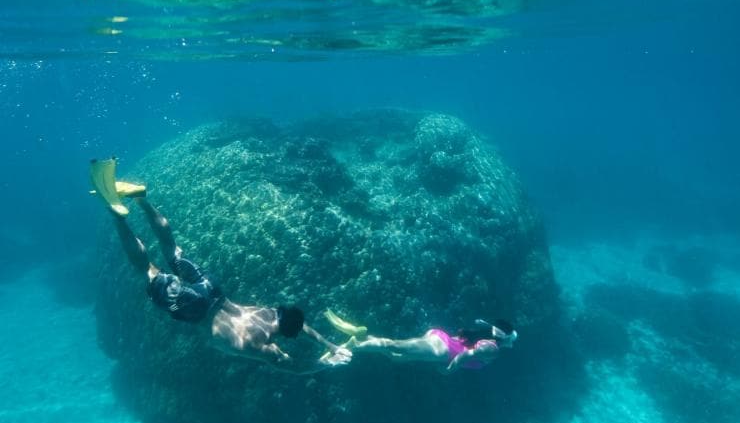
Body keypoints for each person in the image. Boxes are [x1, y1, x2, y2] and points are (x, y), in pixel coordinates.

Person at [90, 158, 351, 372]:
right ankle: (117, 215)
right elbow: (293, 366)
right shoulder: (264, 347)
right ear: (286, 335)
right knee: (147, 269)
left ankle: (141, 199)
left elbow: (301, 325)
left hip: (212, 289)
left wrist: (331, 345)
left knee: (172, 248)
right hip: (196, 310)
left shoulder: (271, 314)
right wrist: (326, 363)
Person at [331, 313, 517, 372]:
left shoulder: (487, 340)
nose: (512, 345)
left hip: (441, 343)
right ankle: (356, 344)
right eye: (511, 340)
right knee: (394, 345)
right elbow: (465, 354)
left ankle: (364, 336)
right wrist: (450, 371)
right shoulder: (492, 349)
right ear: (505, 338)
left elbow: (460, 343)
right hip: (440, 350)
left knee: (395, 356)